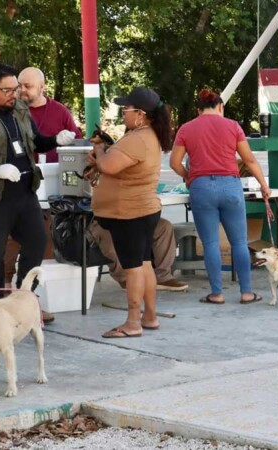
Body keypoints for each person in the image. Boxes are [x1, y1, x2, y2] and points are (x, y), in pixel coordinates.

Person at [0, 62, 75, 304]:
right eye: (7, 90)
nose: (14, 94)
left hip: (24, 192)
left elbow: (36, 141)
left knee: (37, 240)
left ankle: (24, 296)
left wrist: (56, 140)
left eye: (15, 88)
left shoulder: (19, 108)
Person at [170, 89, 271, 305]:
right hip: (230, 186)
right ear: (220, 107)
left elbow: (174, 163)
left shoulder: (186, 129)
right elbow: (249, 160)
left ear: (198, 110)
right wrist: (264, 185)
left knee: (211, 244)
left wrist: (189, 176)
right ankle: (246, 292)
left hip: (201, 189)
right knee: (240, 242)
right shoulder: (233, 126)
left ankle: (216, 293)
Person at [88, 87, 172, 338]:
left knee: (133, 268)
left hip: (129, 213)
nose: (123, 113)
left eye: (126, 109)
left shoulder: (138, 138)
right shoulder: (146, 135)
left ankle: (133, 322)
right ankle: (149, 316)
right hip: (141, 210)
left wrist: (100, 150)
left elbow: (108, 165)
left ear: (141, 114)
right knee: (144, 264)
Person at [2, 67, 84, 309]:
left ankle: (35, 295)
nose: (22, 91)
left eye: (28, 86)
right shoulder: (11, 110)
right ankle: (4, 287)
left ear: (42, 87)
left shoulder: (59, 111)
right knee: (11, 238)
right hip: (16, 183)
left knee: (44, 236)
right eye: (19, 86)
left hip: (48, 185)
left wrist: (65, 139)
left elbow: (76, 143)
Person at [88, 218, 189, 291]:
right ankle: (124, 277)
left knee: (164, 226)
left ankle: (163, 276)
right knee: (110, 233)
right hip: (102, 219)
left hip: (135, 216)